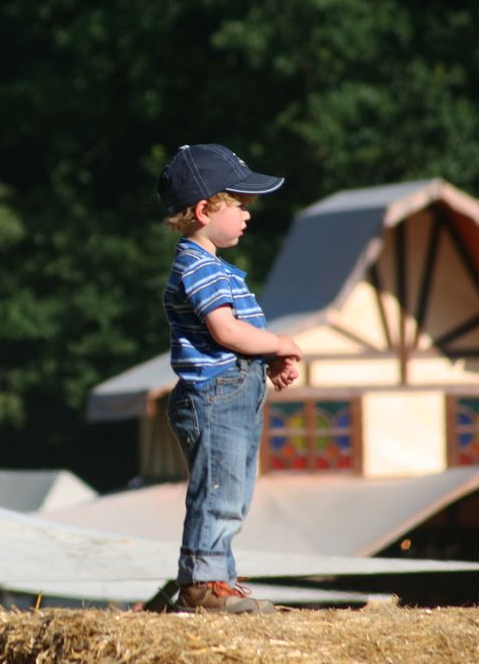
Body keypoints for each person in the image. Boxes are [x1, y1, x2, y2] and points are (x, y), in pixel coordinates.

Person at [156, 143, 301, 614]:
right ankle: (201, 583)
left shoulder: (214, 269)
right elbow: (226, 330)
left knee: (232, 492)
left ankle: (219, 578)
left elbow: (237, 335)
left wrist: (268, 360)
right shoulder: (198, 267)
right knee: (219, 491)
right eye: (239, 205)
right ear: (203, 210)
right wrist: (280, 343)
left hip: (232, 394)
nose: (247, 216)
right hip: (215, 396)